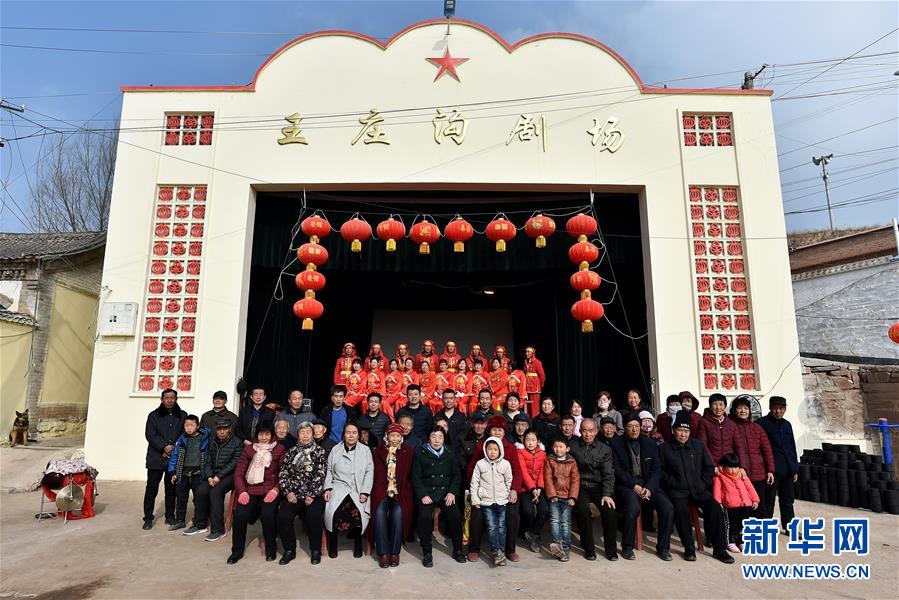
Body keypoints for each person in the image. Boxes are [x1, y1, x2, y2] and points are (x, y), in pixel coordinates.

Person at [659, 410, 732, 563]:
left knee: (715, 509)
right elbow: (661, 472)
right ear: (674, 430)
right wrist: (674, 483)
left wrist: (702, 483)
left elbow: (708, 467)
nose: (683, 435)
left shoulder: (698, 446)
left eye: (686, 431)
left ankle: (720, 549)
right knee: (681, 512)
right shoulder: (664, 448)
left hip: (699, 490)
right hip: (677, 492)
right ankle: (689, 547)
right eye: (680, 430)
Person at [610, 413, 675, 561]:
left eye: (637, 426)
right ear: (624, 428)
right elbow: (616, 470)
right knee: (632, 508)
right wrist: (634, 485)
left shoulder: (650, 443)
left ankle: (663, 547)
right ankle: (627, 546)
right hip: (627, 485)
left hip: (648, 484)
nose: (634, 430)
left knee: (667, 507)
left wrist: (649, 487)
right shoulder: (615, 443)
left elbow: (657, 469)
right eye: (630, 426)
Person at [466, 415, 524, 562]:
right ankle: (474, 549)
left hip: (504, 493)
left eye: (500, 430)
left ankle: (509, 550)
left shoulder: (511, 448)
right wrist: (477, 492)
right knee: (477, 515)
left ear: (504, 432)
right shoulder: (482, 447)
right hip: (484, 493)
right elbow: (472, 469)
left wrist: (513, 490)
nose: (497, 433)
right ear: (489, 431)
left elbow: (517, 472)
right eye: (494, 429)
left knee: (512, 514)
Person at [228, 426, 286, 564]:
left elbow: (284, 473)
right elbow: (239, 473)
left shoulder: (279, 449)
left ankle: (271, 549)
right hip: (251, 490)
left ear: (272, 435)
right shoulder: (249, 450)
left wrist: (276, 490)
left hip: (270, 490)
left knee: (267, 515)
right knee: (240, 515)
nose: (264, 438)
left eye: (267, 434)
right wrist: (242, 491)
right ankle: (237, 551)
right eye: (261, 434)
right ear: (256, 436)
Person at [412, 426, 466, 566]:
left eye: (440, 437)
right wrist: (423, 495)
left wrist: (452, 492)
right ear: (429, 438)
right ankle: (427, 552)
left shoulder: (450, 453)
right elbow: (415, 477)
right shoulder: (420, 453)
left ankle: (458, 549)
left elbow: (456, 475)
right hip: (427, 493)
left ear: (444, 439)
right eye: (433, 436)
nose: (437, 440)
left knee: (455, 515)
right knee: (424, 516)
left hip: (445, 493)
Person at [276, 421, 327, 565]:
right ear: (298, 436)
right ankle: (289, 549)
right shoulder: (292, 452)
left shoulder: (319, 451)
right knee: (283, 516)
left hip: (313, 494)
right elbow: (284, 473)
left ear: (313, 435)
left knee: (313, 515)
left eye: (308, 432)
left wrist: (311, 494)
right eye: (302, 433)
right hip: (294, 493)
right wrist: (288, 492)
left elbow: (321, 474)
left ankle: (315, 550)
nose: (305, 435)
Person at [569, 418, 618, 561]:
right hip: (580, 486)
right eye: (584, 431)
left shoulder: (604, 449)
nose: (588, 434)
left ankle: (611, 550)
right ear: (580, 431)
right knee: (583, 511)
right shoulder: (573, 447)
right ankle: (589, 548)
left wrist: (607, 494)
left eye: (591, 431)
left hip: (598, 487)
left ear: (596, 431)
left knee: (610, 512)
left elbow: (608, 474)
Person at [324, 422, 374, 559]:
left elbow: (369, 472)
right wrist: (327, 488)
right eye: (348, 432)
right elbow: (329, 470)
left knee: (358, 512)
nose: (351, 435)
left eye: (354, 433)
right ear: (343, 435)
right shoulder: (336, 449)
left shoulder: (365, 450)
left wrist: (365, 492)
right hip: (338, 487)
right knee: (334, 511)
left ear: (358, 435)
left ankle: (358, 543)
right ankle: (333, 544)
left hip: (357, 488)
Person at [371, 423, 414, 568]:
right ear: (387, 436)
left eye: (397, 436)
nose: (395, 438)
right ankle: (383, 552)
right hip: (382, 491)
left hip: (400, 493)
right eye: (392, 435)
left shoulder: (409, 452)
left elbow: (411, 476)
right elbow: (376, 475)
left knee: (398, 514)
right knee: (379, 512)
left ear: (402, 438)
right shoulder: (378, 452)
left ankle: (395, 552)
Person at [142, 388, 187, 529]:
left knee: (171, 489)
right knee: (151, 489)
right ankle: (148, 518)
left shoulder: (182, 415)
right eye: (166, 398)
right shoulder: (154, 416)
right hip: (156, 457)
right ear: (162, 399)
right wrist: (164, 447)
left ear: (176, 399)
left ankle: (169, 516)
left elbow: (184, 433)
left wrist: (173, 448)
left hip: (173, 459)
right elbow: (150, 434)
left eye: (172, 398)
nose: (169, 400)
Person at [756, 396, 799, 529]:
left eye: (781, 408)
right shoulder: (761, 424)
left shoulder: (787, 425)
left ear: (785, 409)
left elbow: (792, 446)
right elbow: (758, 449)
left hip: (788, 469)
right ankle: (766, 527)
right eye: (775, 408)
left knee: (788, 500)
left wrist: (794, 468)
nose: (778, 411)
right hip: (771, 470)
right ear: (770, 408)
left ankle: (789, 527)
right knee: (768, 500)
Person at [470, 437, 513, 567]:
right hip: (486, 502)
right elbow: (474, 482)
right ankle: (496, 551)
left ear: (500, 451)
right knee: (492, 527)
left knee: (501, 527)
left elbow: (508, 480)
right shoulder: (480, 464)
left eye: (495, 449)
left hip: (501, 502)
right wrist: (475, 499)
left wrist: (506, 493)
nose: (492, 452)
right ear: (485, 450)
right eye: (489, 449)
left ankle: (501, 551)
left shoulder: (505, 464)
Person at [196, 419, 242, 542]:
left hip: (230, 475)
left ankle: (218, 530)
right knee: (201, 490)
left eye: (224, 429)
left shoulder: (237, 442)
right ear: (216, 430)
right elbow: (208, 461)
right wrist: (209, 476)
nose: (222, 432)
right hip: (214, 475)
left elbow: (235, 463)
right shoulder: (212, 441)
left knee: (215, 492)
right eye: (219, 429)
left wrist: (219, 476)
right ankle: (200, 524)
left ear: (229, 429)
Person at [730, 395, 775, 514]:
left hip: (758, 474)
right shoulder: (731, 428)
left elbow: (767, 450)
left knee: (759, 506)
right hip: (739, 475)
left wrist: (770, 470)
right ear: (734, 411)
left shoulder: (757, 428)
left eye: (746, 408)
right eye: (739, 408)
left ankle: (759, 525)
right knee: (742, 507)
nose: (743, 411)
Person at [167, 414, 209, 531]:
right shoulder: (181, 439)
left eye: (192, 425)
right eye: (186, 425)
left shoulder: (204, 437)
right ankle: (180, 520)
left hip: (198, 474)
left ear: (198, 426)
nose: (189, 428)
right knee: (181, 498)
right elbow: (174, 456)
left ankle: (198, 520)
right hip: (182, 474)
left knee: (198, 499)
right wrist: (173, 472)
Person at [714, 453, 759, 553]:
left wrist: (755, 500)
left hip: (745, 505)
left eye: (736, 467)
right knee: (731, 525)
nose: (733, 470)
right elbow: (717, 491)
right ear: (723, 466)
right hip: (730, 506)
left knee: (743, 524)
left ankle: (741, 541)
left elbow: (750, 488)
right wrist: (718, 503)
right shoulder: (720, 477)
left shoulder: (742, 475)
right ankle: (730, 542)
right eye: (730, 467)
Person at [544, 436, 580, 561]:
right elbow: (548, 478)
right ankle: (557, 544)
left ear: (567, 449)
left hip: (567, 497)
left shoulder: (572, 462)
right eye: (556, 446)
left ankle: (566, 547)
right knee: (555, 520)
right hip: (554, 497)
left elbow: (575, 480)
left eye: (561, 447)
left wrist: (573, 497)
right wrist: (552, 495)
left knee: (566, 522)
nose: (558, 449)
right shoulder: (550, 460)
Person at [517, 429, 548, 553]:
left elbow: (542, 472)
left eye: (533, 440)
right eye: (527, 440)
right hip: (525, 488)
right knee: (528, 511)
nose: (530, 443)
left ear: (538, 441)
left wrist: (539, 488)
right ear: (523, 441)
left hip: (539, 489)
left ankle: (534, 533)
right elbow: (523, 473)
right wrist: (532, 489)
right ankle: (529, 531)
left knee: (544, 510)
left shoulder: (543, 454)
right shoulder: (520, 452)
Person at [696, 393, 746, 465]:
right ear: (710, 406)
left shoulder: (732, 424)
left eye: (721, 404)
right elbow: (702, 446)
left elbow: (738, 447)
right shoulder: (703, 423)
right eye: (715, 404)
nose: (718, 407)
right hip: (711, 465)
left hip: (729, 465)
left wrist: (743, 466)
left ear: (725, 406)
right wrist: (711, 465)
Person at [523, 347, 546, 417]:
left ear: (532, 353)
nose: (527, 353)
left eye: (528, 352)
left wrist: (541, 384)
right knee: (527, 405)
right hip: (527, 386)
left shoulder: (537, 362)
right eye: (526, 352)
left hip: (534, 386)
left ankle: (535, 419)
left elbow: (542, 375)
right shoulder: (526, 362)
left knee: (534, 406)